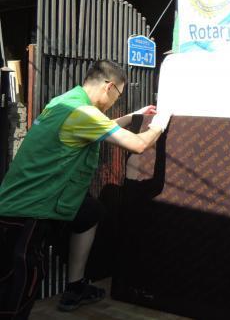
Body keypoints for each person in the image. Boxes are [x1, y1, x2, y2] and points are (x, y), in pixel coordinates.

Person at [0, 60, 171, 319]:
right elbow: (138, 144)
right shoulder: (83, 113)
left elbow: (98, 128)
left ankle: (75, 286)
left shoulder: (64, 103)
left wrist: (134, 116)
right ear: (109, 87)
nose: (115, 101)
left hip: (26, 199)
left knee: (90, 212)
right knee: (17, 292)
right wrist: (160, 122)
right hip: (27, 211)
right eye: (119, 95)